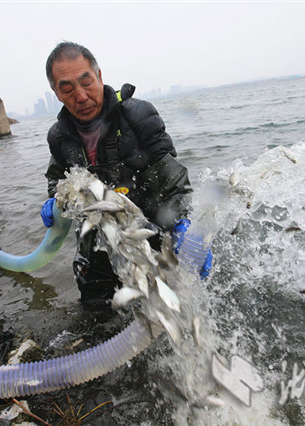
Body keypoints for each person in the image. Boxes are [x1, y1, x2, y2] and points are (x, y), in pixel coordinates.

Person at [40, 41, 212, 310]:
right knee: (96, 317)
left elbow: (173, 181)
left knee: (168, 310)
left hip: (150, 235)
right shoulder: (59, 137)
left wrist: (181, 223)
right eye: (67, 88)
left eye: (86, 82)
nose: (81, 96)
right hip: (96, 246)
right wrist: (55, 199)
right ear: (56, 93)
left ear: (99, 76)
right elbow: (56, 179)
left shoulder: (138, 116)